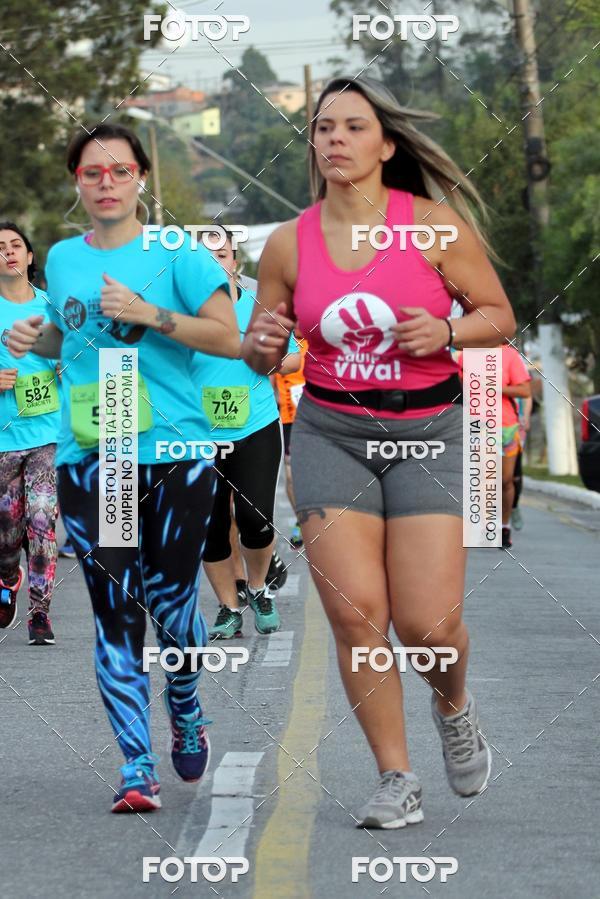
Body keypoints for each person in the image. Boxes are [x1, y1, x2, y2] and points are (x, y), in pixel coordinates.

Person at [242, 75, 516, 828]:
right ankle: (397, 776)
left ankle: (453, 705)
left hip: (430, 431)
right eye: (323, 127)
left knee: (428, 626)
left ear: (387, 145)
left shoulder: (432, 226)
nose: (335, 138)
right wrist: (260, 343)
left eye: (354, 126)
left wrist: (448, 331)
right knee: (356, 613)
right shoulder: (288, 243)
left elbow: (500, 315)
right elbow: (262, 353)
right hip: (332, 433)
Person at [7, 123, 240, 814]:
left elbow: (227, 337)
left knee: (172, 603)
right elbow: (67, 336)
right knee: (115, 608)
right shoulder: (62, 257)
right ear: (77, 183)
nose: (105, 183)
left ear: (141, 177)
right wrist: (36, 339)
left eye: (119, 170)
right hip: (97, 455)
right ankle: (136, 765)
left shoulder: (178, 251)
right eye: (91, 172)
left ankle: (185, 700)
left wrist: (152, 315)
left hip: (175, 453)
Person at [192, 231, 300, 640]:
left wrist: (274, 361)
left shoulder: (259, 306)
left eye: (221, 255)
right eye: (205, 256)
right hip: (197, 433)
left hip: (255, 426)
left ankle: (258, 589)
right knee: (211, 526)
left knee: (255, 519)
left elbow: (294, 357)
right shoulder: (181, 312)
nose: (214, 263)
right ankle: (228, 607)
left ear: (234, 262)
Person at [0, 223, 61, 644]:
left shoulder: (52, 308)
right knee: (6, 529)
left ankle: (40, 613)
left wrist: (65, 367)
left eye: (15, 245)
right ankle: (8, 576)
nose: (8, 252)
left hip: (47, 434)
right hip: (3, 438)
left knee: (41, 516)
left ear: (29, 255)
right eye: (0, 247)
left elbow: (79, 356)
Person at [274, 333, 308, 548]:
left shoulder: (321, 334)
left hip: (321, 414)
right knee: (291, 475)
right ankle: (302, 520)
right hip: (291, 417)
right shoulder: (282, 337)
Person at [500, 343, 531, 547]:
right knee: (484, 479)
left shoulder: (510, 355)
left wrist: (525, 417)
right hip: (476, 426)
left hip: (509, 427)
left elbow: (526, 392)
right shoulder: (466, 355)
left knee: (508, 479)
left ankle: (506, 522)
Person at [511, 392, 532, 531]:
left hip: (516, 426)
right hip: (487, 424)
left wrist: (526, 416)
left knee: (514, 474)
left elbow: (527, 395)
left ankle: (514, 505)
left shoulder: (518, 376)